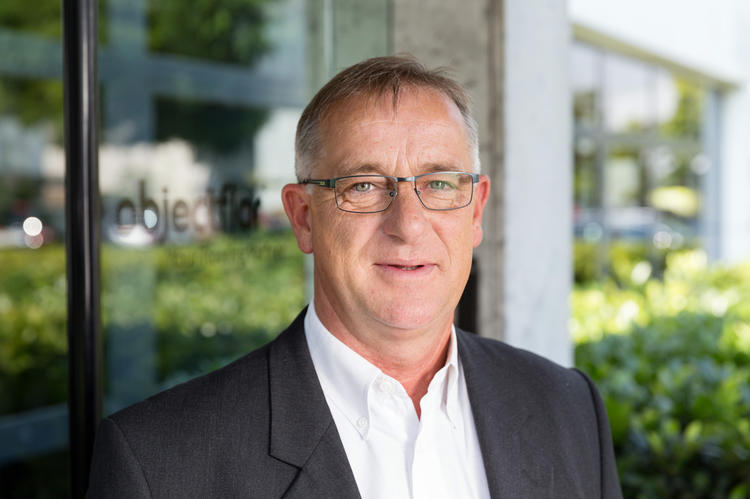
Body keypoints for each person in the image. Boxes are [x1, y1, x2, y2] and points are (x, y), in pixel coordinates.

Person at [87, 56, 622, 498]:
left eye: (439, 184)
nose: (408, 225)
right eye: (364, 186)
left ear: (476, 210)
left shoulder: (567, 408)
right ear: (303, 217)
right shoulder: (158, 465)